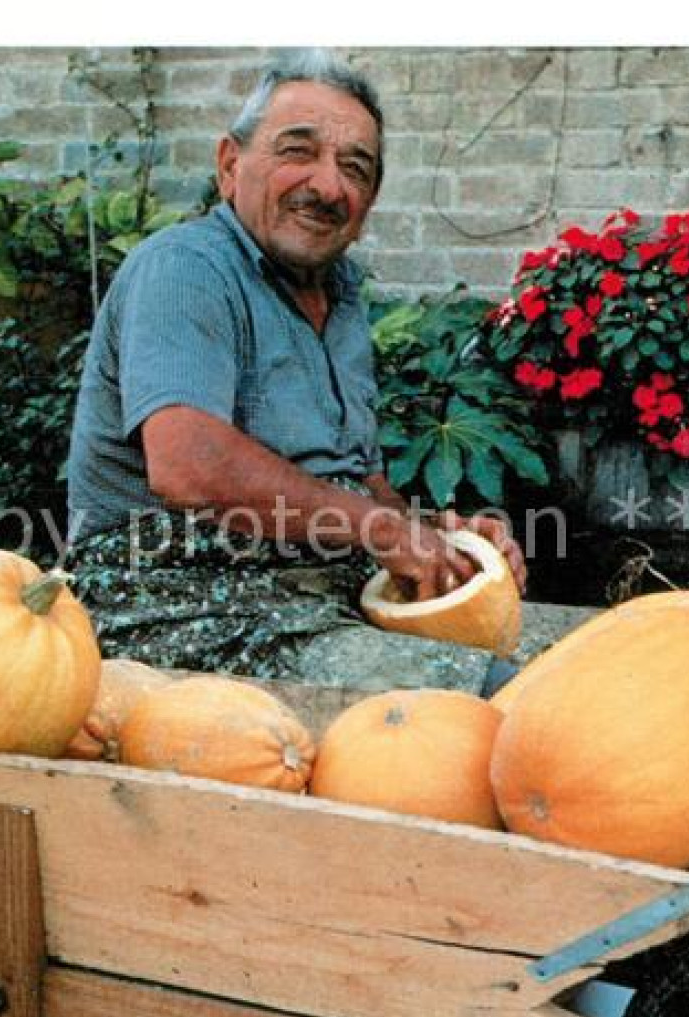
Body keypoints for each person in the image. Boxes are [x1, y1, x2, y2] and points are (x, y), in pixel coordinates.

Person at [65, 50, 526, 678]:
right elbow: (188, 465)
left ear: (370, 201)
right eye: (298, 152)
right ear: (231, 165)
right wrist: (380, 531)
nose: (329, 186)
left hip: (312, 589)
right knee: (487, 696)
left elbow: (356, 486)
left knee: (558, 665)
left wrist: (440, 535)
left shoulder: (340, 295)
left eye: (355, 168)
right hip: (169, 598)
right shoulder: (184, 269)